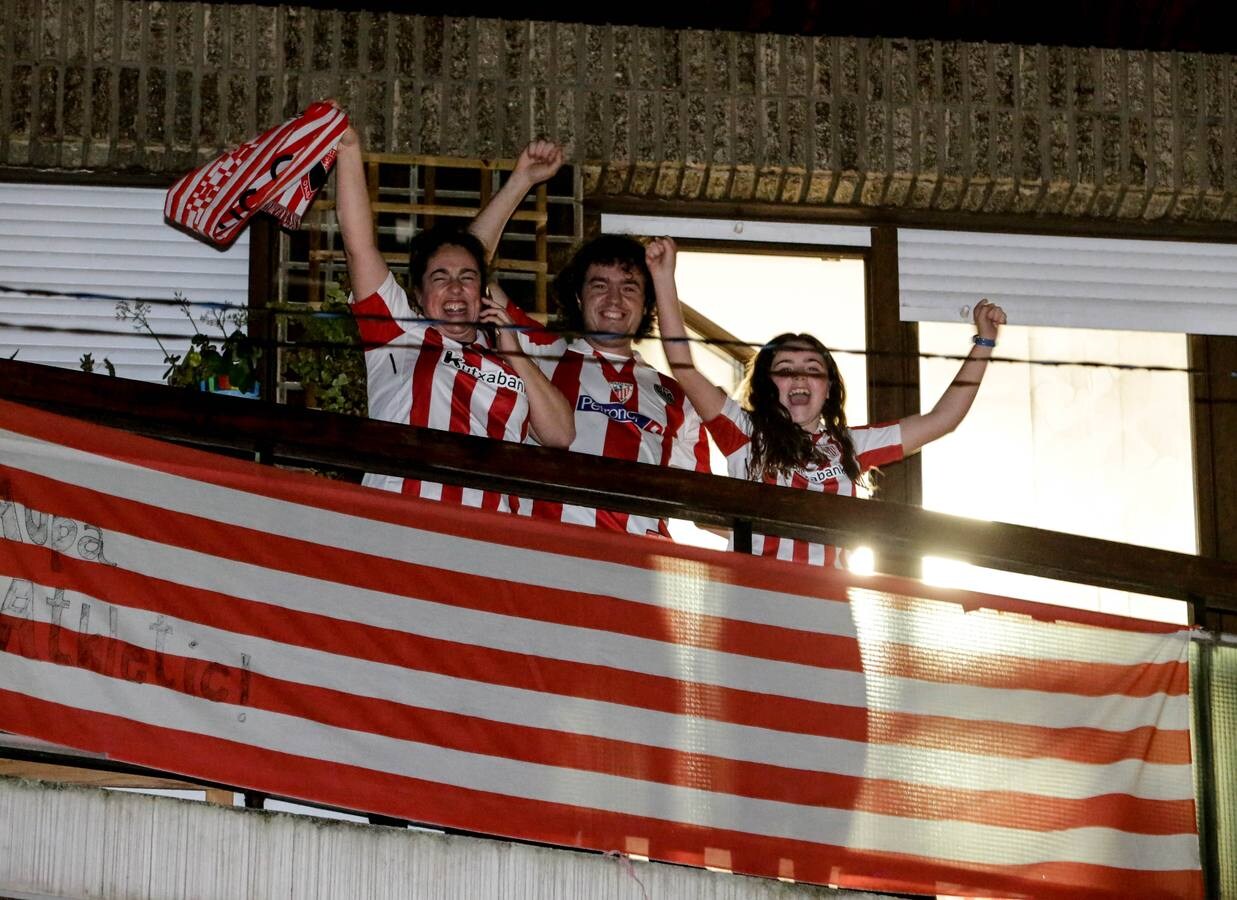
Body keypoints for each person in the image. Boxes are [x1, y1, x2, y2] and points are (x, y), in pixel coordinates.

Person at [647, 236, 1008, 567]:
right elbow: (685, 367)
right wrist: (664, 278)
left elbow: (943, 419)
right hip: (754, 604)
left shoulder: (851, 445)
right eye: (785, 369)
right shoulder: (744, 432)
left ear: (829, 387)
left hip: (830, 612)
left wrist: (984, 343)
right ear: (766, 385)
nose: (800, 377)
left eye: (813, 368)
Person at [469, 142, 711, 537]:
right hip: (548, 556)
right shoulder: (543, 352)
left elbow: (706, 508)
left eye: (629, 288)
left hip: (639, 573)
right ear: (579, 298)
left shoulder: (678, 397)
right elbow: (470, 270)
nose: (614, 300)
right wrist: (522, 181)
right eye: (600, 285)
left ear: (647, 303)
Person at [334, 125, 574, 510]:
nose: (456, 288)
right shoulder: (399, 332)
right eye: (440, 278)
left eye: (467, 279)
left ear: (483, 292)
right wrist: (348, 149)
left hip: (487, 538)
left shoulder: (514, 355)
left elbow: (560, 434)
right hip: (400, 521)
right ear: (418, 295)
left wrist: (515, 354)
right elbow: (358, 245)